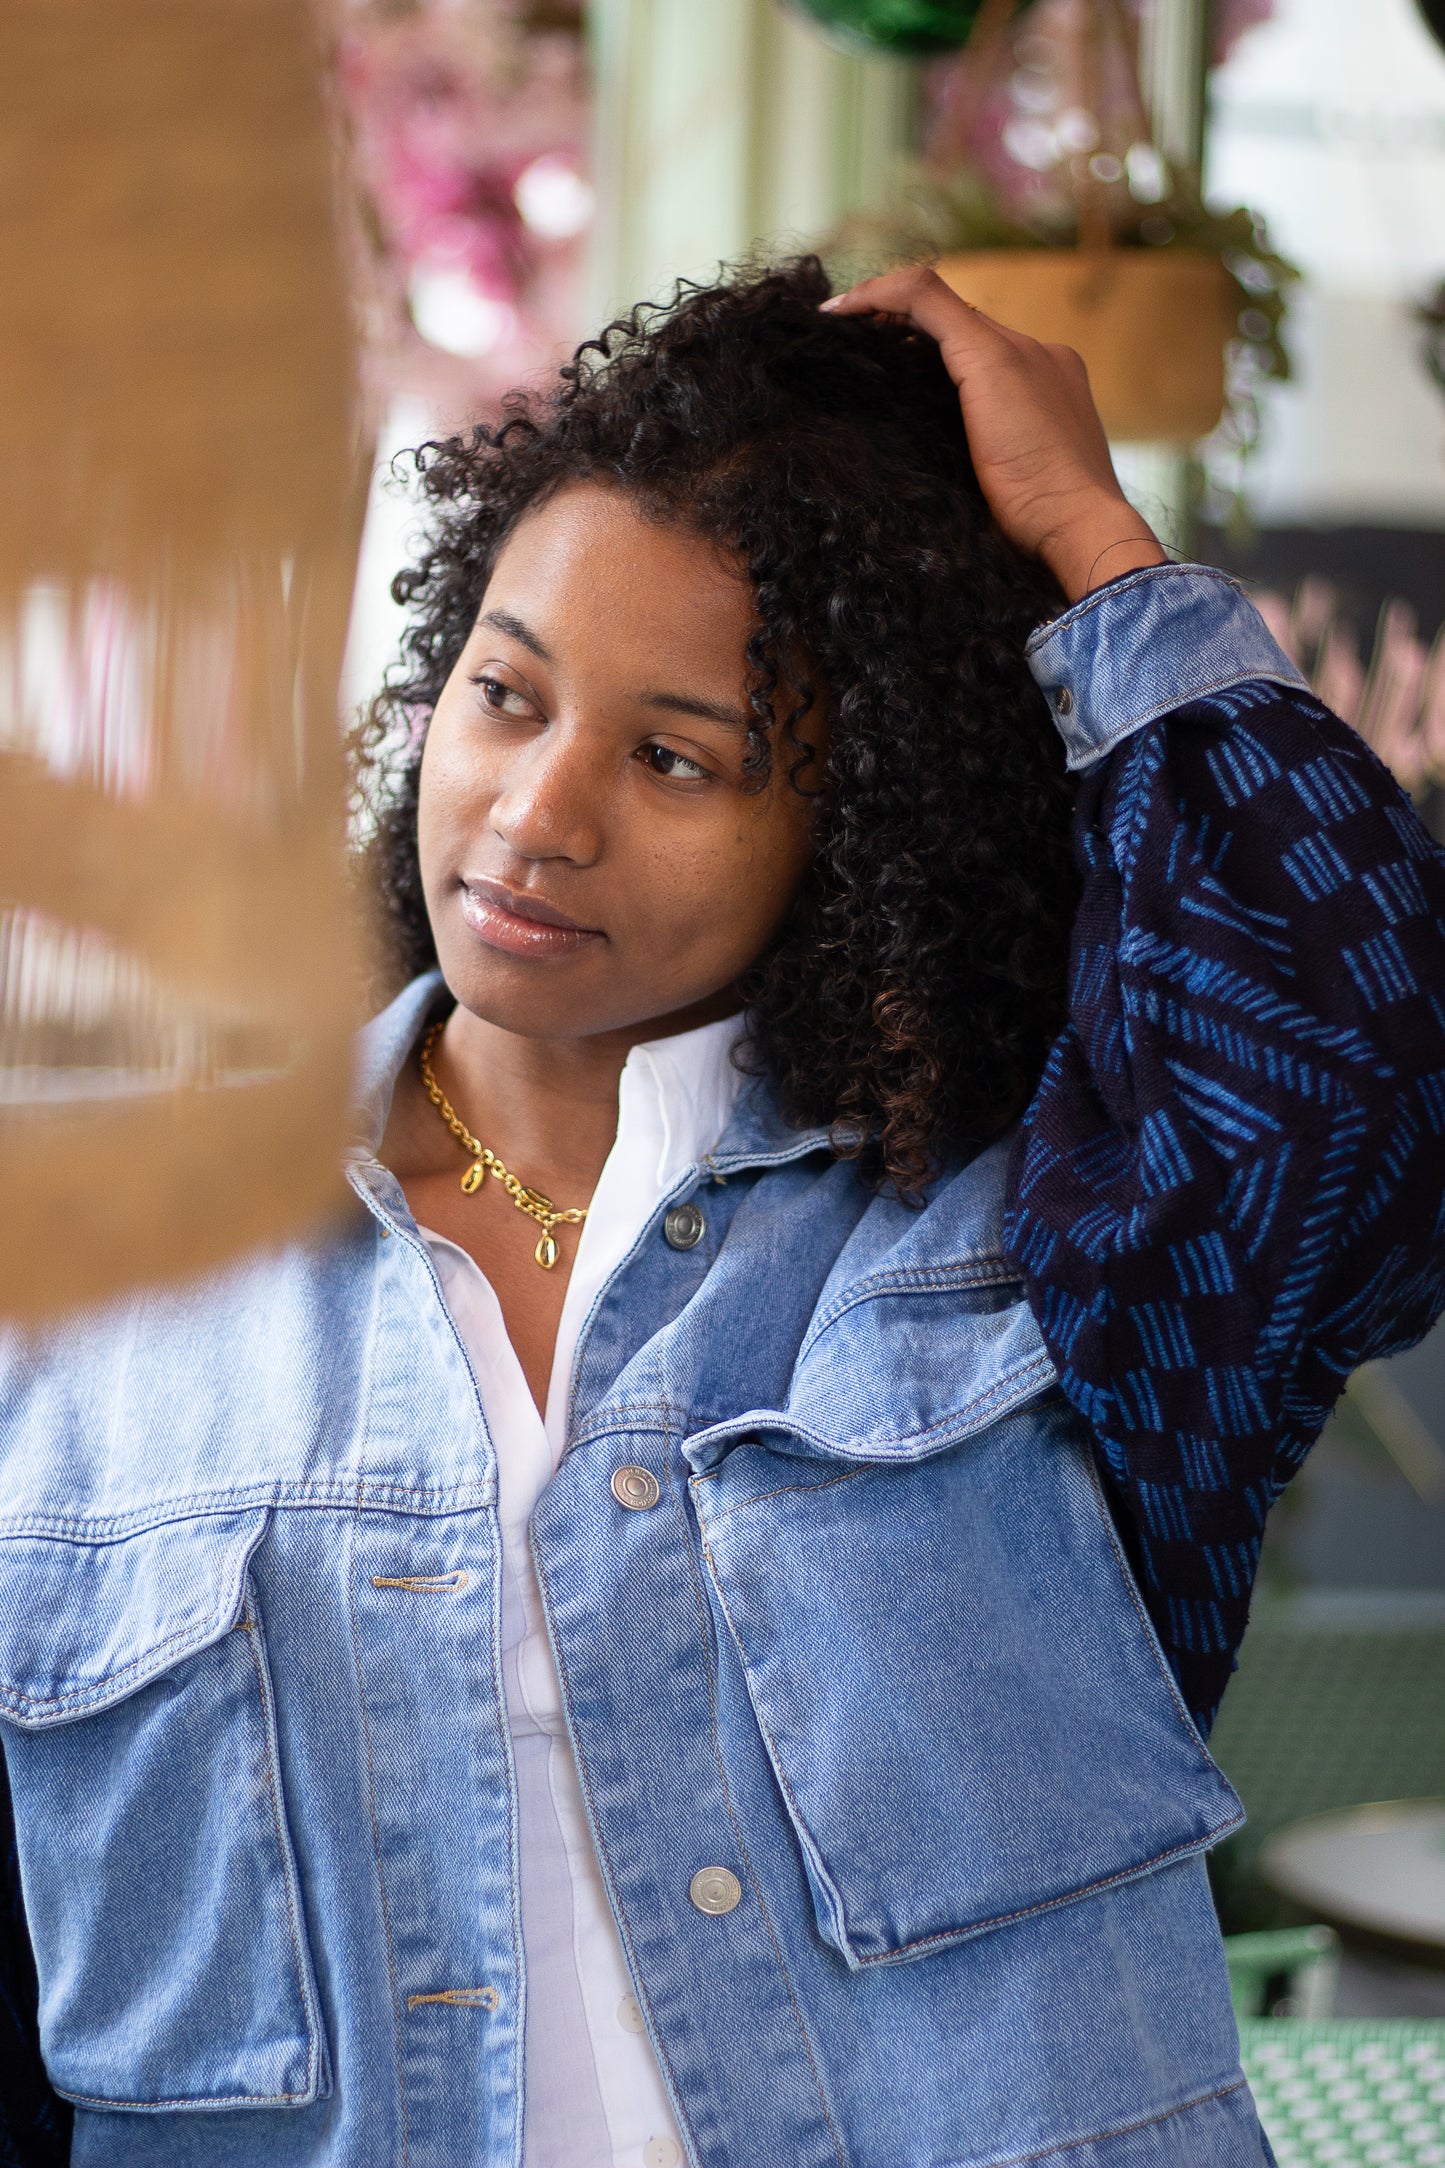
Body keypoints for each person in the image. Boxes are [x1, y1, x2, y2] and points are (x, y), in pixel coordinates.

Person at [2, 257, 1443, 2168]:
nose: (534, 812)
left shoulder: (1044, 1248)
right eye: (503, 695)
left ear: (853, 830)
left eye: (676, 756)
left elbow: (1369, 1082)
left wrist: (1095, 549)